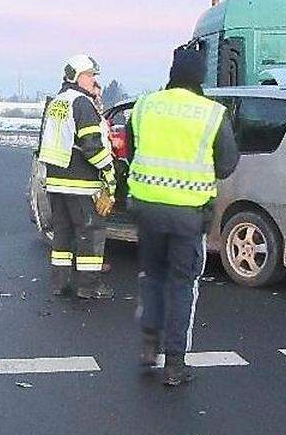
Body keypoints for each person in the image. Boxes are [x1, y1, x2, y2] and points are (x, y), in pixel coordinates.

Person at [126, 47, 238, 386]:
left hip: (146, 207)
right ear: (200, 76)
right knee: (182, 286)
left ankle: (149, 346)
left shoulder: (145, 105)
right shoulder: (212, 113)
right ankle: (174, 364)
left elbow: (132, 151)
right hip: (188, 214)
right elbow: (227, 164)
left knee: (152, 277)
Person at [37, 54, 117, 299]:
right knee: (90, 233)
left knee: (62, 233)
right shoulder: (81, 103)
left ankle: (59, 283)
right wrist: (108, 171)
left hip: (56, 182)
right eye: (91, 75)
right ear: (78, 76)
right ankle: (89, 286)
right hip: (81, 183)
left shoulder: (56, 102)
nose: (94, 81)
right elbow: (91, 144)